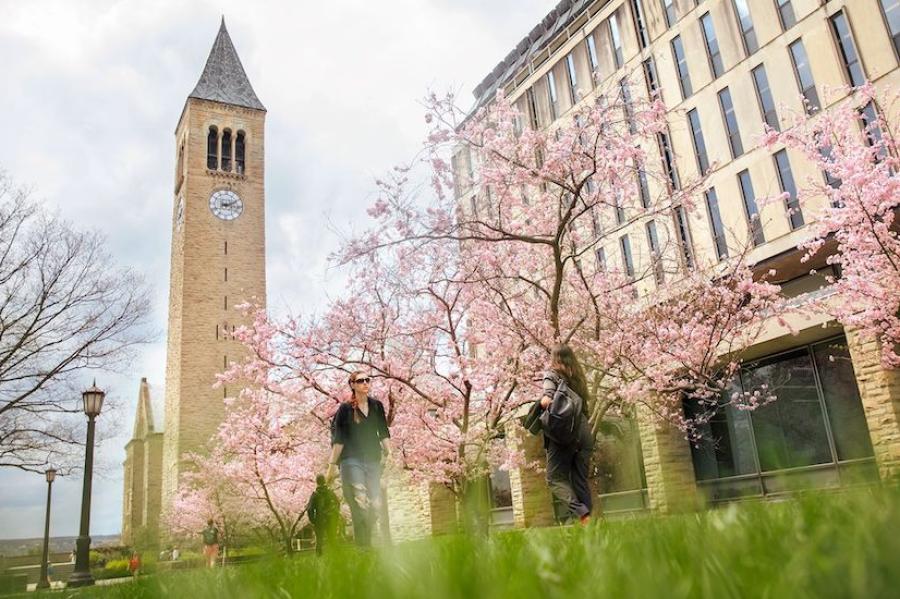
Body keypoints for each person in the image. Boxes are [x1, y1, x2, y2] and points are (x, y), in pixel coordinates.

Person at [325, 370, 392, 547]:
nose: (365, 383)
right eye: (361, 381)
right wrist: (331, 466)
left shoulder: (377, 406)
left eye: (367, 380)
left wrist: (390, 453)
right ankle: (364, 548)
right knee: (360, 502)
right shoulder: (345, 409)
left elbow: (383, 431)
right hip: (351, 460)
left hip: (372, 459)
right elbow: (338, 439)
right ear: (353, 385)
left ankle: (367, 543)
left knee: (375, 504)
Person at [539, 344, 594, 525]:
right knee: (580, 480)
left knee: (554, 478)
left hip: (565, 432)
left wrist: (541, 403)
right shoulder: (579, 377)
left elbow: (548, 399)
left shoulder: (552, 375)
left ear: (555, 359)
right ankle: (586, 524)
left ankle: (581, 513)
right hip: (584, 430)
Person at [306, 474, 342, 555]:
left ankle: (319, 559)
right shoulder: (331, 492)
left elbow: (309, 509)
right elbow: (338, 504)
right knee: (333, 539)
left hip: (319, 520)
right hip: (331, 518)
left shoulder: (315, 494)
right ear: (324, 481)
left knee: (319, 541)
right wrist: (335, 516)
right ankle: (338, 559)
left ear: (317, 482)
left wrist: (313, 520)